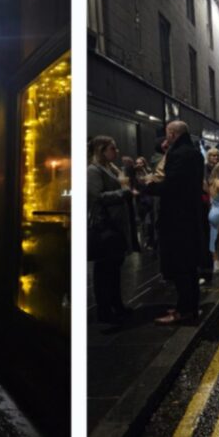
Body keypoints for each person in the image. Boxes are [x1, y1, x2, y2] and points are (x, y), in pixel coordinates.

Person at [143, 121, 204, 324]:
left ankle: (185, 310)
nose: (166, 138)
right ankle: (188, 306)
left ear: (172, 134)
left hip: (178, 219)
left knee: (181, 266)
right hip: (189, 216)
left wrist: (149, 187)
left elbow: (172, 186)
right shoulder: (194, 152)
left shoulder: (179, 154)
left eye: (167, 134)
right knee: (189, 266)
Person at [88, 136, 133, 323]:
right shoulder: (93, 170)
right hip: (104, 227)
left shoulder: (110, 168)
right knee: (104, 270)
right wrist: (123, 192)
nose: (117, 151)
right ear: (101, 150)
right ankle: (104, 310)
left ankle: (117, 304)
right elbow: (96, 196)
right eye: (113, 148)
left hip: (115, 225)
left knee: (114, 269)